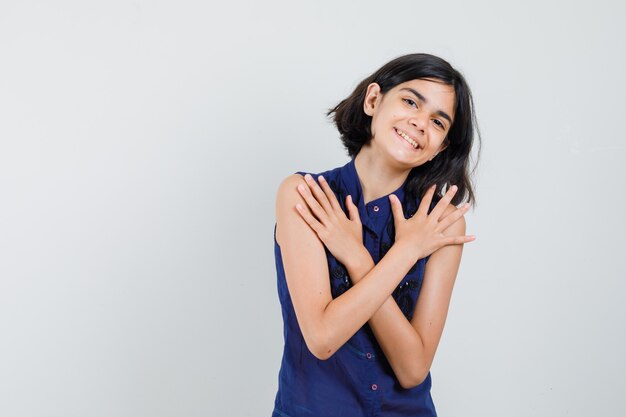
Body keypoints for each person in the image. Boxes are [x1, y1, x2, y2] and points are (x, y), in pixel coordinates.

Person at [272, 53, 480, 417]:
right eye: (410, 101)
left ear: (441, 146)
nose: (419, 123)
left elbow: (413, 369)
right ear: (373, 100)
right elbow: (322, 338)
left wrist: (358, 258)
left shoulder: (442, 224)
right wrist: (407, 252)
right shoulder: (303, 195)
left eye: (437, 121)